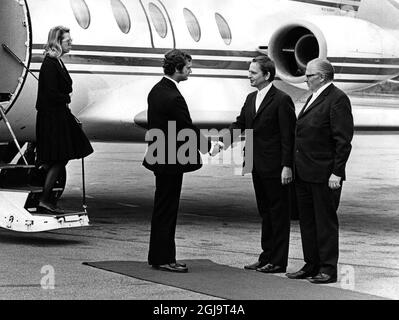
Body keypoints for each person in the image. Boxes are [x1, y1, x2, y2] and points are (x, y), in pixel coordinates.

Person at [212, 56, 296, 273]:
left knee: (278, 214)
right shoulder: (251, 98)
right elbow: (240, 124)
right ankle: (266, 256)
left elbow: (289, 136)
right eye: (249, 71)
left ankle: (278, 261)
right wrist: (222, 142)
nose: (248, 75)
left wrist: (287, 165)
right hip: (255, 163)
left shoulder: (282, 100)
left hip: (276, 166)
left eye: (253, 72)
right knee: (265, 212)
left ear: (266, 75)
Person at [286, 58, 354, 284]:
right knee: (307, 221)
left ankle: (327, 268)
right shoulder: (313, 97)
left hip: (324, 174)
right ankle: (311, 263)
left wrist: (337, 172)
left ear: (322, 77)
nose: (305, 79)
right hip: (305, 172)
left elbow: (343, 141)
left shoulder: (337, 99)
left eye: (309, 76)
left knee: (324, 222)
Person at [143, 49, 211, 273]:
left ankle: (160, 256)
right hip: (172, 160)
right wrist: (208, 146)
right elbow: (186, 127)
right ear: (177, 69)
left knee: (162, 209)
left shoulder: (156, 90)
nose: (190, 70)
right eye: (188, 67)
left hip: (160, 157)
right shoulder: (173, 96)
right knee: (167, 210)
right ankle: (164, 259)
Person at [35, 26, 93, 213]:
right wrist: (66, 98)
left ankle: (44, 188)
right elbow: (50, 93)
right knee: (60, 157)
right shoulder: (50, 64)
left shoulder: (57, 62)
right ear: (58, 42)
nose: (71, 43)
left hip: (58, 115)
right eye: (68, 40)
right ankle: (44, 198)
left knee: (61, 156)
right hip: (52, 117)